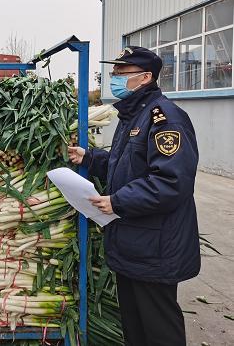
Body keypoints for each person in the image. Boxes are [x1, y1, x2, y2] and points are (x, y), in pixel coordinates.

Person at [68, 46, 200, 346]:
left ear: (145, 77)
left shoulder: (165, 118)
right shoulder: (133, 116)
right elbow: (125, 163)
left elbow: (170, 182)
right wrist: (89, 157)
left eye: (120, 73)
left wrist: (117, 201)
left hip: (156, 248)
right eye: (113, 73)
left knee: (158, 329)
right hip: (135, 244)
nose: (113, 78)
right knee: (135, 327)